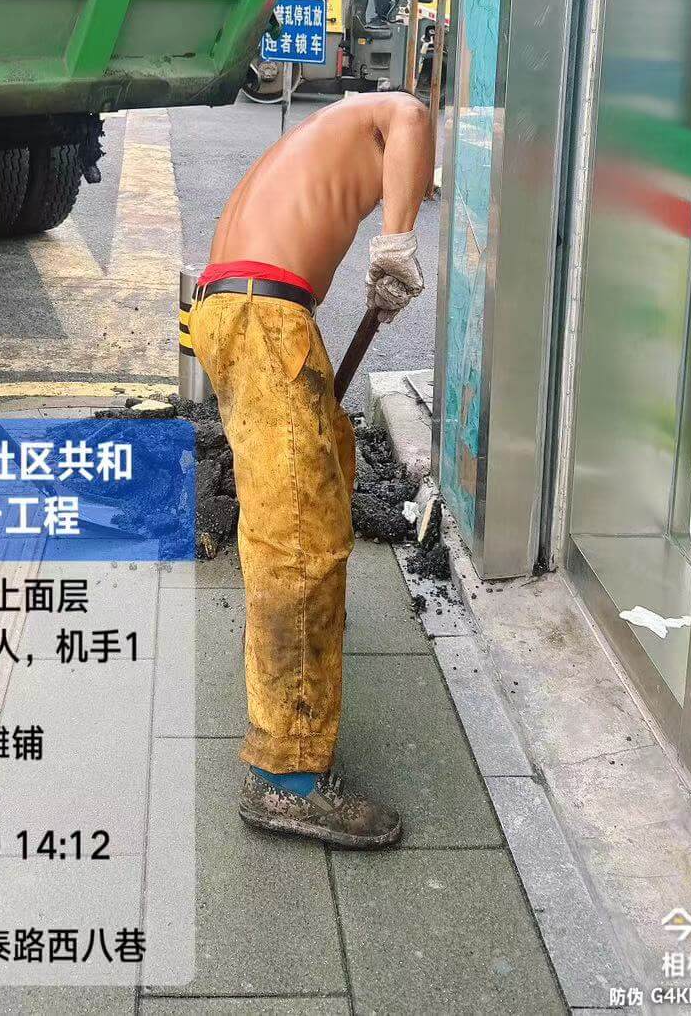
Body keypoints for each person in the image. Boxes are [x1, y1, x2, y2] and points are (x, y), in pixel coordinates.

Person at [188, 91, 432, 849]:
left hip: (237, 309)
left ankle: (306, 643)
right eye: (423, 183)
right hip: (263, 318)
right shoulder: (395, 114)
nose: (419, 190)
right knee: (298, 542)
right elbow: (412, 118)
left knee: (324, 466)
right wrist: (396, 244)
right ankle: (285, 777)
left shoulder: (325, 137)